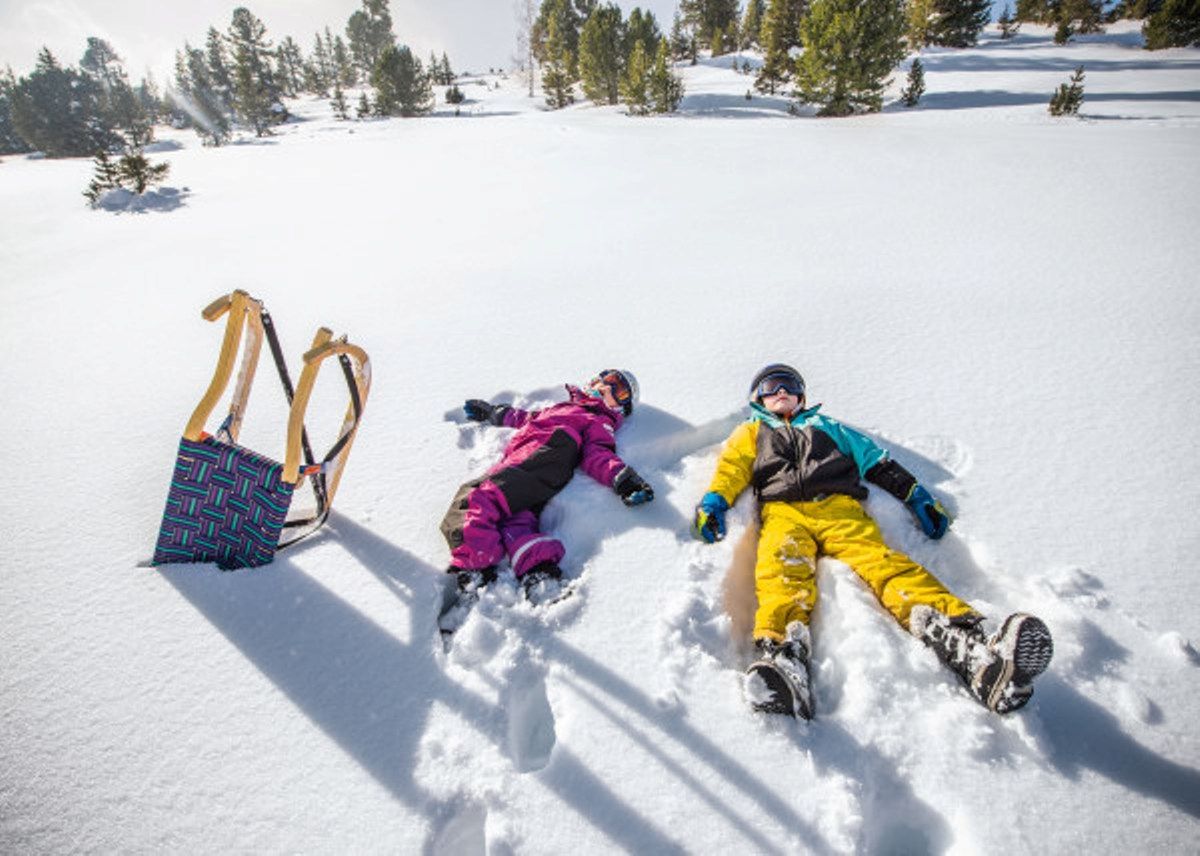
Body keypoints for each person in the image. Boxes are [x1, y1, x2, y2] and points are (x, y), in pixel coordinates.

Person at [693, 363, 1053, 719]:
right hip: (783, 513)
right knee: (781, 574)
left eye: (789, 385)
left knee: (883, 564)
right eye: (772, 386)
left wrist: (916, 495)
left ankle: (967, 642)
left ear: (802, 397)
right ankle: (782, 656)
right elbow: (732, 469)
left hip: (840, 509)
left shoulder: (828, 427)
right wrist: (715, 502)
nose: (781, 392)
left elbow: (877, 462)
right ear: (758, 399)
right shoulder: (751, 432)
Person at [441, 369, 654, 605]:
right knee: (516, 520)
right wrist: (492, 413)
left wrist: (623, 479)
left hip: (545, 454)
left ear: (622, 408)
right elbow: (524, 418)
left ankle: (476, 568)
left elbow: (598, 454)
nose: (606, 386)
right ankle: (539, 572)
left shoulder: (598, 419)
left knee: (475, 498)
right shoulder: (561, 408)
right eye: (604, 379)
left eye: (619, 389)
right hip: (529, 462)